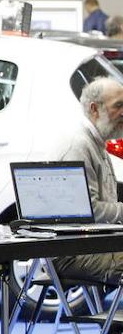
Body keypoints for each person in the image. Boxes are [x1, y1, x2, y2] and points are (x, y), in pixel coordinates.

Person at [51, 77, 123, 283]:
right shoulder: (78, 145)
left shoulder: (96, 144)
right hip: (74, 253)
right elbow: (87, 211)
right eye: (118, 106)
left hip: (92, 246)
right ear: (94, 109)